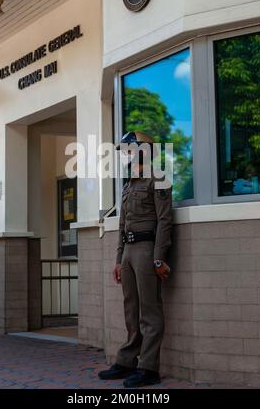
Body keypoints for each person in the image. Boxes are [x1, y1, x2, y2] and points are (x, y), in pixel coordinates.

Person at [98, 131, 173, 388]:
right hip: (129, 250)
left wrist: (159, 258)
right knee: (131, 309)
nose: (125, 155)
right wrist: (118, 259)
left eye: (129, 149)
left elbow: (165, 220)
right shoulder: (129, 183)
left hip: (146, 249)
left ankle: (149, 368)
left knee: (149, 311)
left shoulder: (159, 177)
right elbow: (122, 223)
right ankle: (128, 360)